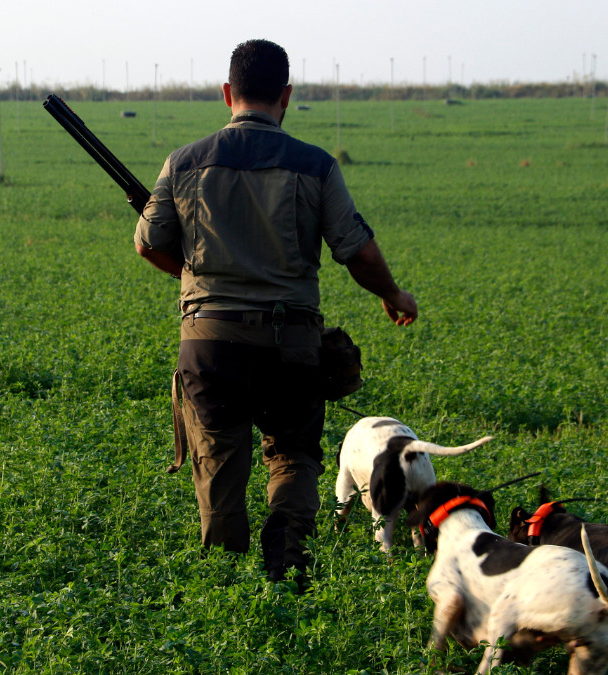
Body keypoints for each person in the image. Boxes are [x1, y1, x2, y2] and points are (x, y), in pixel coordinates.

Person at [134, 39, 418, 584]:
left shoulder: (183, 161)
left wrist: (196, 282)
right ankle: (286, 563)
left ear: (227, 94)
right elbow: (354, 249)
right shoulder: (315, 166)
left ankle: (225, 584)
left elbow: (149, 243)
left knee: (218, 462)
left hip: (210, 343)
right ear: (286, 95)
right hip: (291, 345)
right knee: (292, 456)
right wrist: (392, 294)